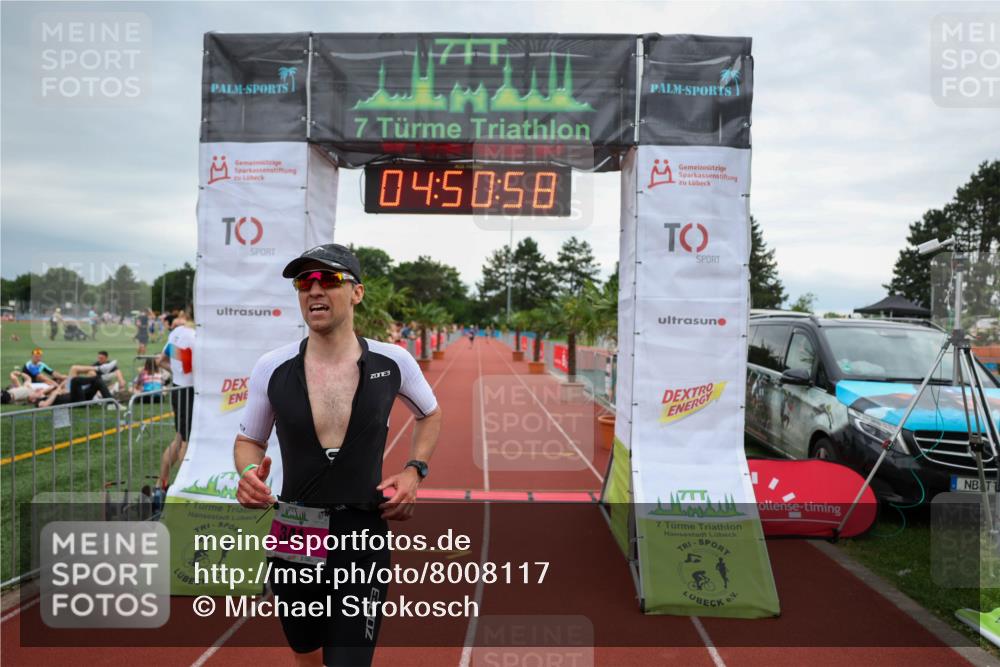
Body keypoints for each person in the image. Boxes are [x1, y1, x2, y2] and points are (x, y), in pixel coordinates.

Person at [234, 244, 441, 667]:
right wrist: (250, 473)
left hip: (361, 531)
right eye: (303, 282)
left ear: (357, 292)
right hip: (295, 533)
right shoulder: (270, 368)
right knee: (307, 656)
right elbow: (249, 442)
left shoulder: (393, 360)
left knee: (349, 661)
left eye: (328, 280)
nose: (314, 291)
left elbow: (430, 415)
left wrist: (414, 471)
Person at [157, 311, 195, 489]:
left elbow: (161, 361)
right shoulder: (196, 336)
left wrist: (178, 374)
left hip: (178, 388)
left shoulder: (176, 333)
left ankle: (161, 483)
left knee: (179, 438)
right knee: (187, 441)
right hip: (190, 392)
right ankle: (183, 488)